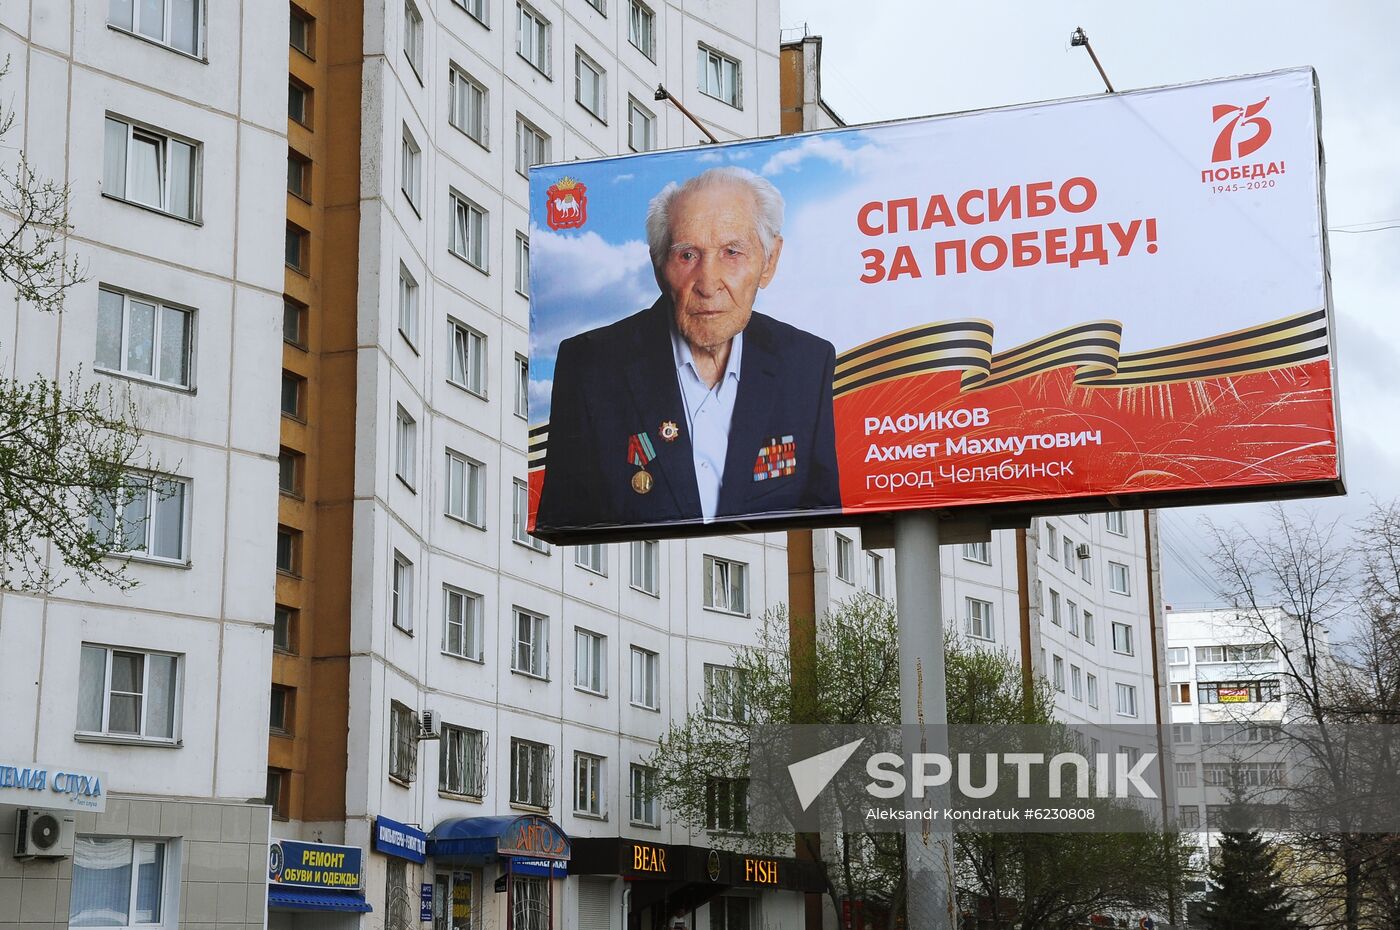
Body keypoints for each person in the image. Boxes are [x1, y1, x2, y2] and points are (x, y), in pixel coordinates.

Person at [536, 166, 841, 533]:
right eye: (687, 255)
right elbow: (565, 523)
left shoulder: (808, 364)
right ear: (658, 266)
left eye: (732, 252)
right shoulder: (589, 366)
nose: (708, 284)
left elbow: (822, 515)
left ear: (769, 261)